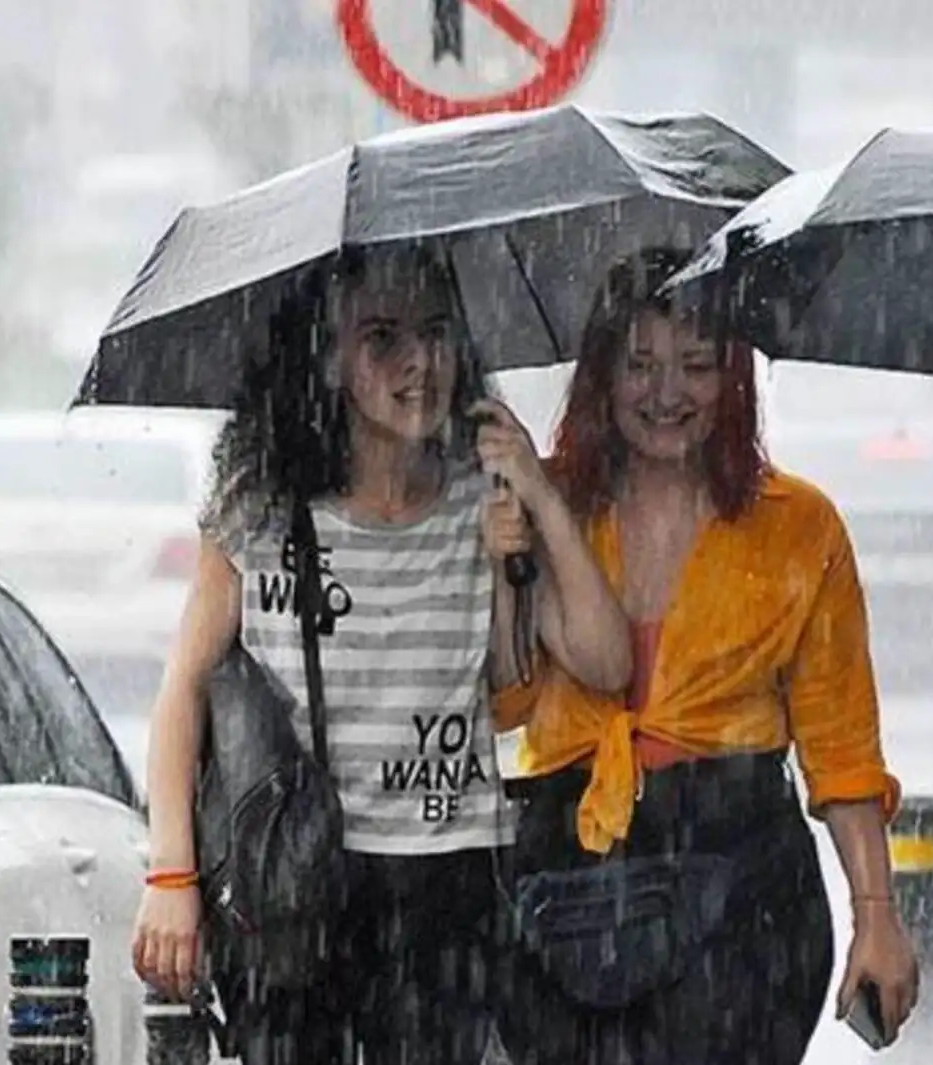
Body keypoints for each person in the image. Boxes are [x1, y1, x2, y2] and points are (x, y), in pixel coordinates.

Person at [129, 243, 631, 1065]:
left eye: (436, 332)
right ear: (328, 359)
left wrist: (538, 495)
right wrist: (171, 877)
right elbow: (182, 692)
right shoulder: (260, 512)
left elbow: (607, 662)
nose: (420, 364)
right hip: (295, 886)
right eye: (381, 338)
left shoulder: (487, 501)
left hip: (447, 887)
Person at [492, 247, 920, 1065]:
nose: (666, 394)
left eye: (695, 364)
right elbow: (504, 701)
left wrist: (876, 913)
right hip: (566, 876)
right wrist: (514, 546)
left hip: (742, 876)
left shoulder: (798, 526)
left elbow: (840, 749)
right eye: (640, 365)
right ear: (601, 377)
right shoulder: (538, 504)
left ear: (734, 379)